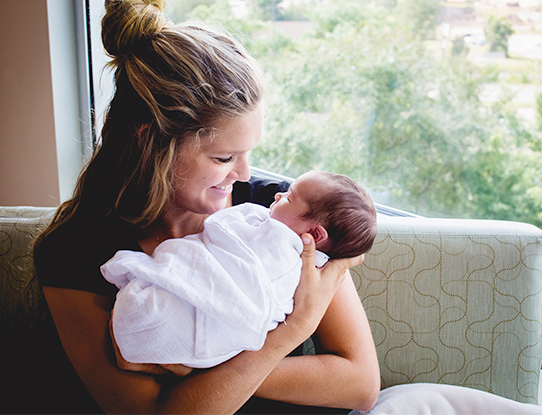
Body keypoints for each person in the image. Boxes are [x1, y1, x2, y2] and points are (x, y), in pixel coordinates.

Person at [33, 0, 380, 413]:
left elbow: (359, 383)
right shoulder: (74, 251)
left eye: (249, 152)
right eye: (223, 158)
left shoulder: (285, 215)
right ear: (151, 142)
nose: (245, 174)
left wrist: (191, 368)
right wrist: (289, 334)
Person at [101, 170, 377, 370]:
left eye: (289, 198)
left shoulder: (309, 259)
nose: (279, 195)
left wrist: (299, 325)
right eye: (224, 157)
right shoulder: (85, 239)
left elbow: (360, 386)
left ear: (315, 234)